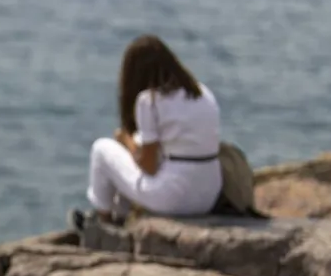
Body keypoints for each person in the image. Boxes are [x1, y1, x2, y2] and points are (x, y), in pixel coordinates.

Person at [75, 34, 222, 228]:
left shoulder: (149, 100)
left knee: (101, 149)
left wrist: (125, 141)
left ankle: (103, 222)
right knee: (141, 148)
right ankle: (120, 215)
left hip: (174, 199)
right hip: (208, 196)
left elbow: (148, 166)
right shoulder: (202, 92)